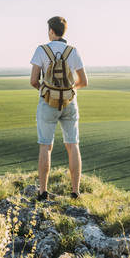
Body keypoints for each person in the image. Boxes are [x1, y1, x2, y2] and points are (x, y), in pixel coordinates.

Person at [30, 16, 88, 200]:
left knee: (45, 146)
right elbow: (84, 82)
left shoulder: (41, 50)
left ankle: (43, 192)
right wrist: (68, 90)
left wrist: (47, 91)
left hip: (47, 104)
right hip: (70, 103)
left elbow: (33, 81)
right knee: (73, 145)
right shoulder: (73, 51)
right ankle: (75, 192)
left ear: (51, 31)